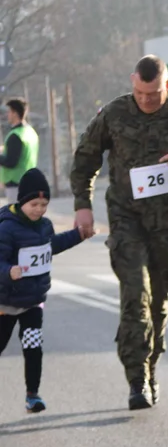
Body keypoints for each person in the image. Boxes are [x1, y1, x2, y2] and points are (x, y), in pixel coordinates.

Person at [70, 55, 168, 410]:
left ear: (166, 85)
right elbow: (85, 159)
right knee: (134, 296)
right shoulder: (114, 113)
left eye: (153, 94)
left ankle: (151, 369)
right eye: (140, 92)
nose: (146, 100)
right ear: (132, 83)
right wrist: (83, 204)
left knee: (158, 299)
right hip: (126, 220)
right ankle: (136, 379)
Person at [0, 169, 91, 412]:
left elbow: (53, 246)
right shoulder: (6, 229)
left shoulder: (44, 226)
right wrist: (8, 271)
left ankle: (33, 395)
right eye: (34, 204)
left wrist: (78, 235)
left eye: (44, 204)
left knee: (33, 347)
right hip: (5, 303)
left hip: (32, 303)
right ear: (22, 202)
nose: (39, 209)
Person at [0, 98, 40, 205]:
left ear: (15, 113)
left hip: (16, 183)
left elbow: (11, 162)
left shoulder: (15, 135)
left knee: (17, 218)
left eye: (9, 112)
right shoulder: (30, 132)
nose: (7, 115)